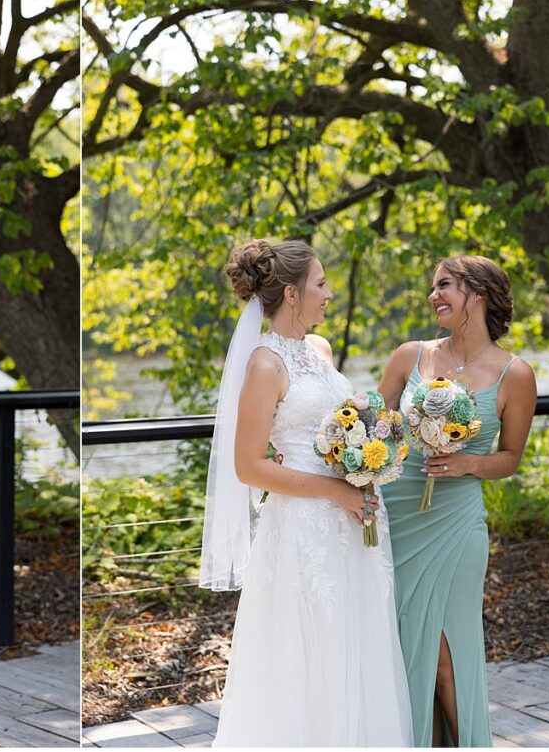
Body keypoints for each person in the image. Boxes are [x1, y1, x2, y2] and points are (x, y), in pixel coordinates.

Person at [202, 238, 412, 747]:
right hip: (301, 528)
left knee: (355, 642)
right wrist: (333, 490)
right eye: (320, 284)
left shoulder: (319, 350)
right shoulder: (264, 365)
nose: (329, 293)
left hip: (351, 521)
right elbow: (248, 465)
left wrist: (367, 461)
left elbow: (337, 425)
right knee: (307, 648)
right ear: (292, 294)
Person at [378, 255, 536, 747]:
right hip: (396, 516)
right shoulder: (410, 355)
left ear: (480, 293)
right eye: (433, 286)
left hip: (456, 524)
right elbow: (373, 428)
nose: (433, 295)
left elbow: (509, 457)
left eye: (444, 284)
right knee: (400, 648)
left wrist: (470, 463)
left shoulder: (516, 374)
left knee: (447, 656)